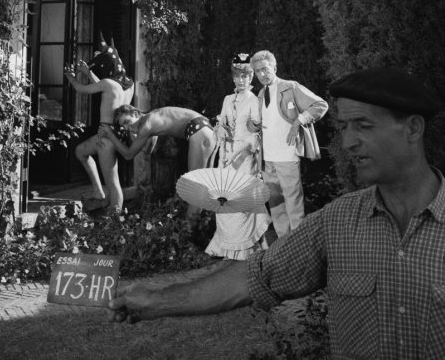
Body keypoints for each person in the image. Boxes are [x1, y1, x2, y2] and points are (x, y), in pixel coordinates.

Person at [108, 66, 445, 360]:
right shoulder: (338, 222)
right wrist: (153, 300)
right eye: (345, 128)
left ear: (413, 129)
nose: (348, 143)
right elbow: (252, 279)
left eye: (364, 126)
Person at [248, 50, 328, 236]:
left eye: (265, 69)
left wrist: (298, 121)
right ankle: (284, 245)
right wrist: (253, 125)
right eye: (258, 71)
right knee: (276, 205)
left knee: (293, 201)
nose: (262, 74)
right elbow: (260, 124)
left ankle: (299, 244)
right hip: (268, 159)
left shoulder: (290, 87)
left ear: (274, 68)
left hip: (287, 155)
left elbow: (321, 105)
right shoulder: (260, 94)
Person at [205, 53, 270, 260]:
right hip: (226, 156)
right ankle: (225, 248)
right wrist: (220, 130)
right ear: (233, 77)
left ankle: (245, 249)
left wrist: (241, 152)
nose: (241, 80)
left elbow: (256, 134)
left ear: (251, 78)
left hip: (245, 157)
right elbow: (221, 124)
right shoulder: (227, 99)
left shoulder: (254, 100)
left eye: (245, 76)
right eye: (237, 76)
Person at [65, 38, 134, 212]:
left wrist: (71, 78)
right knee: (81, 151)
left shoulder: (109, 83)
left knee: (113, 182)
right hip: (118, 134)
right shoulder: (129, 84)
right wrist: (88, 73)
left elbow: (83, 89)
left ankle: (115, 219)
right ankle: (98, 191)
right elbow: (102, 86)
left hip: (106, 136)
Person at [100, 104, 217, 173]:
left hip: (197, 130)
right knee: (205, 187)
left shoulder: (147, 126)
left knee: (196, 187)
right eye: (123, 126)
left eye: (127, 122)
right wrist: (136, 138)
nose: (126, 127)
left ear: (135, 113)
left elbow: (128, 155)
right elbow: (148, 151)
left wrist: (110, 134)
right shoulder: (151, 118)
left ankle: (192, 216)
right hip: (204, 128)